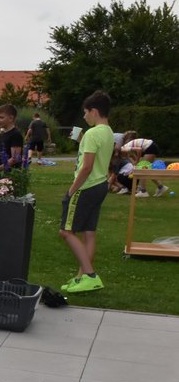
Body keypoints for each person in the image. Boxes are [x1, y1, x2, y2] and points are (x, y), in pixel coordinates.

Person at [59, 91, 115, 294]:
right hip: (101, 185)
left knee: (66, 231)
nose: (84, 117)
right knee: (89, 233)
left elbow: (87, 167)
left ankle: (90, 276)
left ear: (94, 111)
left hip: (86, 186)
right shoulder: (108, 132)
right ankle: (81, 277)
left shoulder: (92, 134)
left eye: (85, 112)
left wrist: (71, 190)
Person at [0, 104, 24, 181]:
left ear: (11, 118)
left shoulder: (15, 135)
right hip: (1, 174)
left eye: (1, 117)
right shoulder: (1, 135)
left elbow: (14, 159)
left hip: (12, 175)